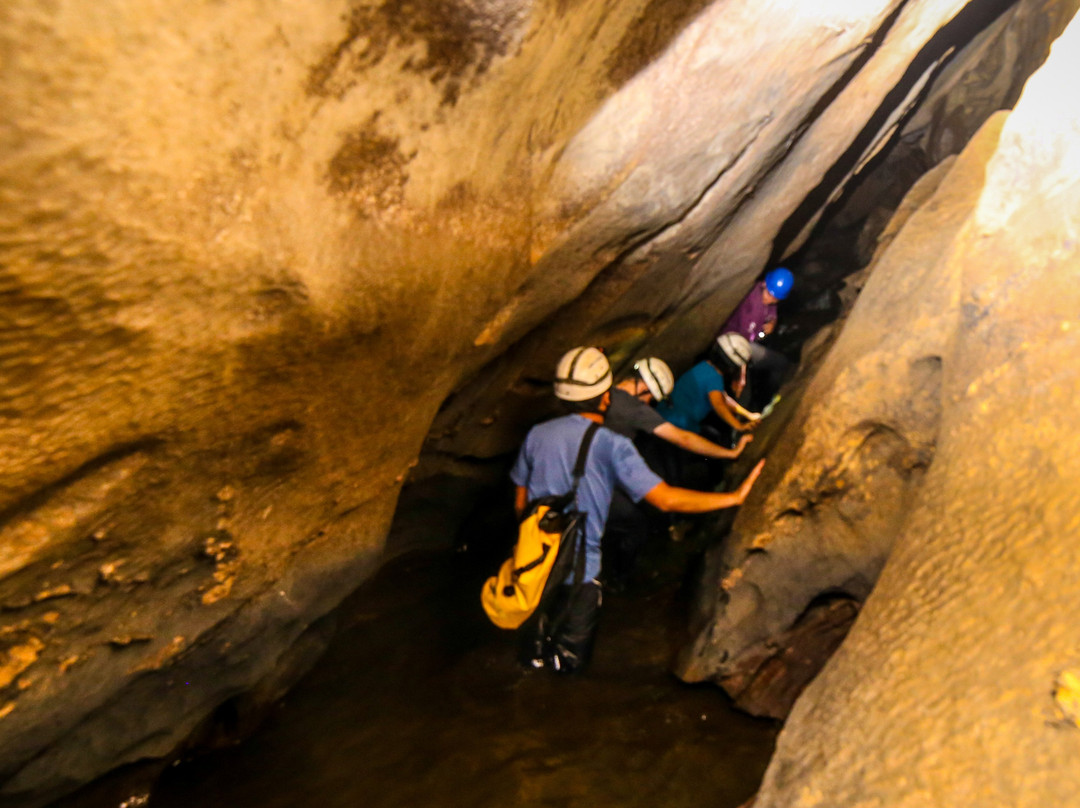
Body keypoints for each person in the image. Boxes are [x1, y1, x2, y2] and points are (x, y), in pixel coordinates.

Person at [511, 346, 765, 674]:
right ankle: (616, 583)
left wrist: (528, 542)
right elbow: (667, 499)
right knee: (568, 663)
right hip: (581, 572)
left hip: (533, 561)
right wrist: (734, 498)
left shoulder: (537, 434)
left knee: (531, 653)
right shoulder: (612, 444)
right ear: (605, 396)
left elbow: (521, 501)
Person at [602, 356, 753, 588]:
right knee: (636, 525)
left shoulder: (605, 392)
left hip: (591, 464)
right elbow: (684, 438)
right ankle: (617, 580)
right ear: (644, 388)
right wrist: (730, 453)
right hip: (599, 474)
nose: (649, 402)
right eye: (650, 397)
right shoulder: (635, 409)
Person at [657, 333, 758, 440]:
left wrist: (748, 415)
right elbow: (719, 405)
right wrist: (739, 426)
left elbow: (723, 399)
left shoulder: (705, 366)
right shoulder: (714, 377)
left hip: (665, 418)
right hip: (677, 426)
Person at [720, 267, 794, 408]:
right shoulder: (751, 306)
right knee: (743, 395)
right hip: (732, 345)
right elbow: (742, 346)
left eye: (775, 298)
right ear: (765, 283)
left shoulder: (764, 289)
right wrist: (740, 376)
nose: (769, 299)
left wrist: (773, 322)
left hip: (748, 340)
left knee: (781, 361)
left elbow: (772, 310)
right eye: (769, 294)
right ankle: (757, 406)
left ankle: (764, 399)